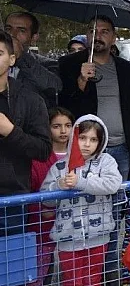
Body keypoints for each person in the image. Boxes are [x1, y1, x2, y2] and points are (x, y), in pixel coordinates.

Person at [41, 115, 122, 286]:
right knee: (72, 282)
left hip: (99, 237)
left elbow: (113, 184)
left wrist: (81, 182)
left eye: (93, 139)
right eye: (82, 138)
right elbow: (44, 199)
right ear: (73, 138)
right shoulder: (59, 167)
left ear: (100, 142)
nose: (87, 144)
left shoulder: (106, 162)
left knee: (93, 280)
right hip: (67, 239)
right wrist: (58, 186)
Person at [58, 16, 130, 181]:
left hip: (121, 147)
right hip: (85, 148)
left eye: (104, 32)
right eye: (93, 31)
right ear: (87, 35)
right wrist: (81, 80)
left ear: (113, 38)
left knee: (119, 199)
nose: (98, 36)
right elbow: (64, 107)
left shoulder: (127, 69)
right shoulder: (69, 64)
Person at [0, 30, 52, 235]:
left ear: (12, 59)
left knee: (12, 264)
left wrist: (10, 131)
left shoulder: (29, 99)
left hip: (12, 200)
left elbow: (43, 149)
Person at [28, 107, 74, 286]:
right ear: (47, 128)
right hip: (42, 231)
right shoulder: (37, 158)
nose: (63, 131)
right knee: (40, 278)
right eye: (57, 126)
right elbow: (31, 192)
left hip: (71, 231)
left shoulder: (80, 157)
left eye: (68, 125)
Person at [4, 12, 62, 107]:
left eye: (21, 30)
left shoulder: (47, 64)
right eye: (8, 29)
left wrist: (21, 56)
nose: (12, 35)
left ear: (34, 38)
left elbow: (54, 88)